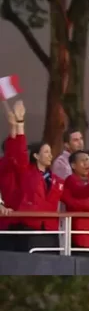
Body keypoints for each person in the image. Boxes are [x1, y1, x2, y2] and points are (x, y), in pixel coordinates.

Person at [0, 100, 27, 251]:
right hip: (5, 224)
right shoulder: (4, 164)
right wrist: (14, 127)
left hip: (23, 221)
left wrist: (20, 123)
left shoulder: (22, 168)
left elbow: (20, 153)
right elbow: (13, 153)